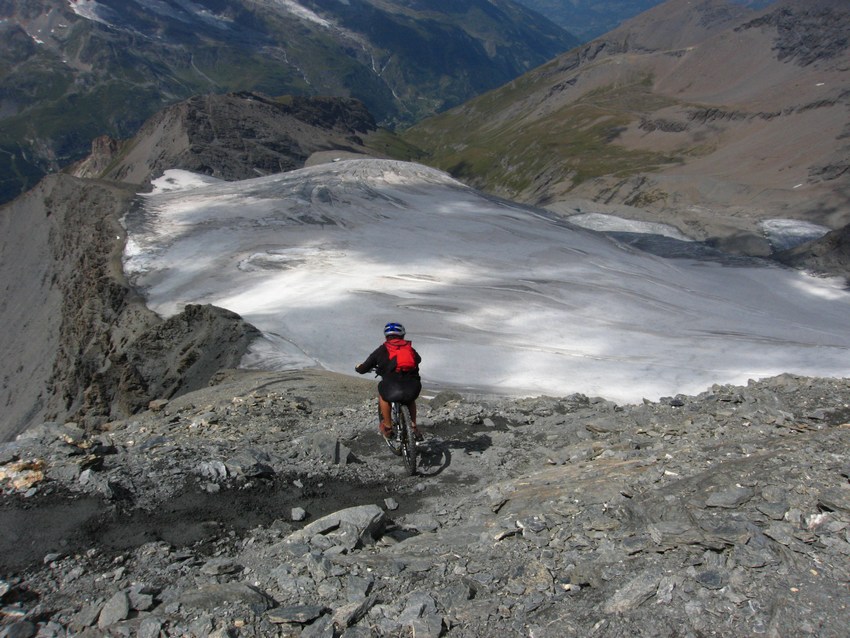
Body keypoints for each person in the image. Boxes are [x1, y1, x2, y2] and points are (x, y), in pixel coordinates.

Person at [355, 322, 423, 441]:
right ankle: (412, 425)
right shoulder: (409, 349)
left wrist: (358, 368)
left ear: (386, 336)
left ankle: (387, 426)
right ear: (402, 335)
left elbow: (364, 367)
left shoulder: (382, 350)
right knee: (410, 400)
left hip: (392, 387)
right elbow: (418, 359)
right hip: (412, 386)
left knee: (383, 396)